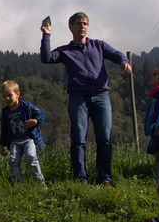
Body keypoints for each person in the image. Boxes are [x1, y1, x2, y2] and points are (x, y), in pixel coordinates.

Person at [40, 12, 132, 185]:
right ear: (71, 27)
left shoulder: (99, 45)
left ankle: (105, 178)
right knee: (78, 139)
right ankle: (80, 178)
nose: (82, 26)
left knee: (104, 138)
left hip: (101, 96)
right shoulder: (65, 51)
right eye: (78, 23)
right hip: (78, 98)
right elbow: (46, 58)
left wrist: (124, 61)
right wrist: (46, 35)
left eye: (85, 23)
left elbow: (117, 54)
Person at [0, 80, 46, 184]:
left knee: (31, 157)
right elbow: (4, 130)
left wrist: (35, 121)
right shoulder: (5, 112)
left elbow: (41, 115)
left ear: (18, 94)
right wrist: (2, 145)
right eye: (4, 96)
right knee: (13, 161)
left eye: (9, 95)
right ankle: (18, 184)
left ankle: (40, 183)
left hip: (29, 138)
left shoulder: (27, 107)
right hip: (14, 141)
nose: (7, 98)